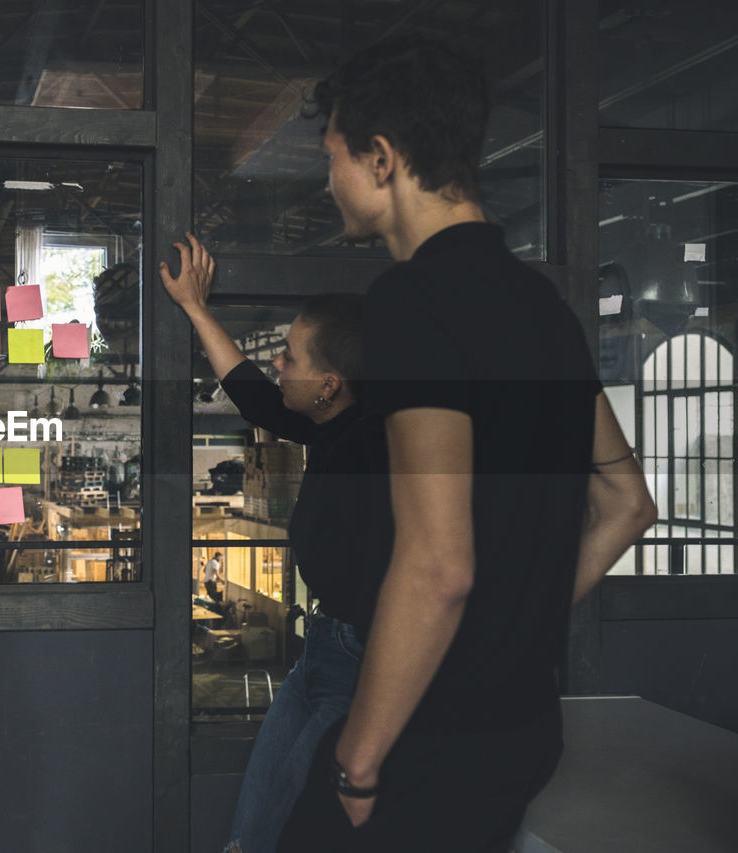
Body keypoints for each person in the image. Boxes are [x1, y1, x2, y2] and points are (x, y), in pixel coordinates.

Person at [277, 35, 656, 851]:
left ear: (382, 159)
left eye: (332, 155)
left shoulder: (414, 304)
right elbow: (628, 504)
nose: (327, 177)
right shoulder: (543, 308)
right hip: (522, 731)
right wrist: (512, 629)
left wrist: (359, 761)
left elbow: (439, 563)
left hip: (426, 737)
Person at [160, 234, 386, 853]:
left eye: (289, 356)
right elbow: (254, 393)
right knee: (257, 825)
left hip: (365, 659)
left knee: (299, 822)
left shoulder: (376, 447)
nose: (278, 365)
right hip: (323, 645)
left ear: (330, 384)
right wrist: (197, 309)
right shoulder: (328, 423)